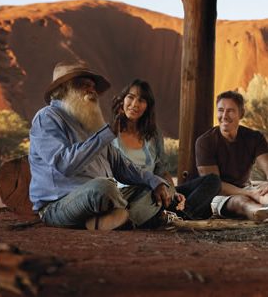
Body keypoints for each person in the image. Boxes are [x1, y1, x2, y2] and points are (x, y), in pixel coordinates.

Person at [28, 60, 177, 230]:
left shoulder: (90, 124)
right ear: (63, 89)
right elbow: (64, 164)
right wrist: (107, 134)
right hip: (59, 206)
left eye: (93, 86)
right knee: (103, 187)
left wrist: (155, 182)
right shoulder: (47, 117)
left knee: (157, 186)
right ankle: (133, 217)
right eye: (84, 85)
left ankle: (116, 220)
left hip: (105, 201)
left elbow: (122, 167)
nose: (92, 91)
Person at [110, 79, 219, 220]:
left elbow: (161, 171)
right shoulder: (110, 134)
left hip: (158, 191)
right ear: (122, 101)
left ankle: (179, 213)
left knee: (213, 181)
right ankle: (183, 214)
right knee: (150, 192)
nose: (135, 104)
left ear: (147, 107)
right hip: (129, 196)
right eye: (130, 97)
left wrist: (172, 191)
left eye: (142, 100)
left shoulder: (154, 134)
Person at [194, 90, 268, 222]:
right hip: (217, 195)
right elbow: (213, 184)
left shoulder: (254, 138)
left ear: (241, 114)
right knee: (241, 202)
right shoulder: (205, 142)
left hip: (246, 189)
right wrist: (249, 193)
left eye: (230, 111)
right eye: (221, 110)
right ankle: (260, 214)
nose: (224, 115)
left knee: (264, 193)